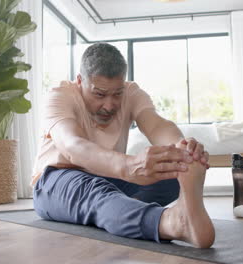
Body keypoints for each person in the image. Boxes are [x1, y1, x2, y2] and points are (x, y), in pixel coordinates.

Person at [31, 42, 215, 248]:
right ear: (80, 80)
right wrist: (127, 166)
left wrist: (181, 150)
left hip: (110, 176)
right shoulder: (59, 96)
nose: (109, 105)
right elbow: (73, 145)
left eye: (117, 94)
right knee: (96, 194)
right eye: (99, 94)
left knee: (168, 173)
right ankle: (171, 223)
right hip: (57, 178)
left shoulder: (131, 92)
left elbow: (156, 125)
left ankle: (121, 210)